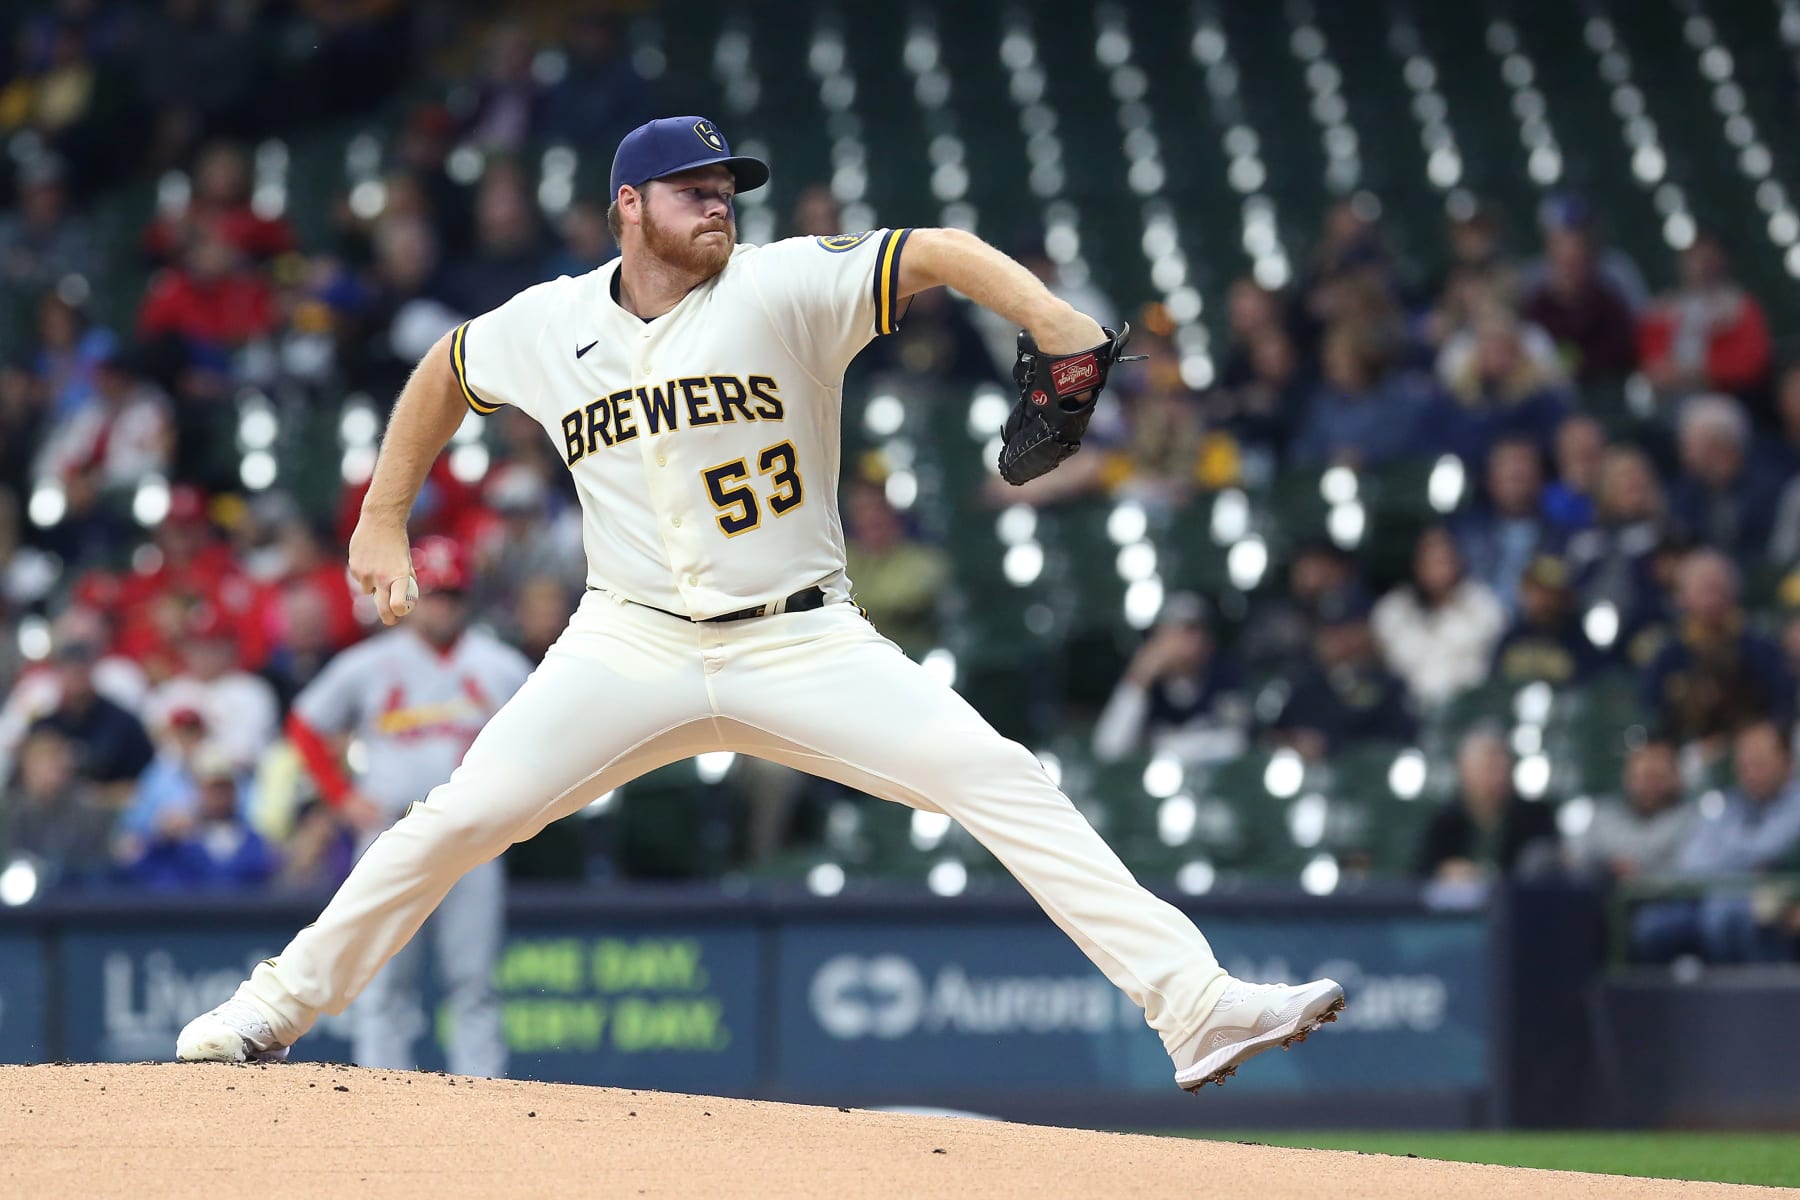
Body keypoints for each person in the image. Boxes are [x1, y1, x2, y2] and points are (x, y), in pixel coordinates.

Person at [177, 114, 1345, 1092]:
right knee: (456, 820)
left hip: (802, 635)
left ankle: (1193, 1006)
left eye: (728, 186)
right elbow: (445, 371)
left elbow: (935, 249)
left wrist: (1057, 326)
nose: (719, 203)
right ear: (626, 206)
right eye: (692, 189)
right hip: (626, 642)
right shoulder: (552, 322)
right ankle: (269, 1012)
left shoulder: (787, 283)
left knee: (998, 776)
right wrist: (382, 515)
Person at [277, 536, 529, 1077]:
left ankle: (481, 1098)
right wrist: (341, 797)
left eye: (452, 595)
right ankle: (379, 1099)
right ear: (412, 596)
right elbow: (304, 723)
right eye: (433, 594)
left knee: (475, 980)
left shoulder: (500, 664)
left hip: (474, 838)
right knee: (383, 978)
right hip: (392, 829)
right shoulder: (372, 662)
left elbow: (545, 735)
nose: (442, 606)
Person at [1631, 721, 1800, 963]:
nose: (1750, 771)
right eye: (1744, 763)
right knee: (1653, 925)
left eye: (1759, 762)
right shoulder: (1729, 804)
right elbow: (1693, 861)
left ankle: (1750, 997)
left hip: (1767, 899)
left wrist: (1726, 856)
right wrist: (1738, 863)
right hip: (1712, 895)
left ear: (1788, 762)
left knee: (1724, 915)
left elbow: (1768, 848)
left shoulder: (1796, 802)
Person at [1641, 550, 1793, 758]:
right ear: (1682, 596)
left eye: (1718, 589)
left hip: (1753, 750)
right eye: (1703, 591)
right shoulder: (1669, 654)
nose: (1712, 600)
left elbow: (1783, 702)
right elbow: (1652, 712)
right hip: (1686, 754)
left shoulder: (1759, 646)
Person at [1093, 592, 1248, 764]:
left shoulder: (1224, 675)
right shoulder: (1144, 686)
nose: (1187, 643)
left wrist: (1166, 747)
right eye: (1175, 632)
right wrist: (1139, 677)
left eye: (1195, 631)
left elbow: (1236, 743)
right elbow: (1108, 748)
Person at [1267, 585, 1414, 760]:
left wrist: (1329, 747)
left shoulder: (1388, 686)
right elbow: (1268, 735)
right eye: (1329, 630)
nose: (1336, 640)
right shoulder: (1303, 685)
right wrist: (1292, 744)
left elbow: (1400, 741)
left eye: (1346, 629)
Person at [1371, 525, 1506, 709]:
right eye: (1430, 560)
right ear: (1416, 564)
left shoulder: (1483, 605)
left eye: (1444, 560)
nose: (1438, 569)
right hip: (1405, 711)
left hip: (1467, 710)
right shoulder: (1392, 611)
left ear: (1458, 561)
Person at [1638, 231, 1771, 408]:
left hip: (1726, 400)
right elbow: (1651, 366)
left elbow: (1751, 364)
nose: (1700, 263)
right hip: (1668, 403)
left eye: (1708, 255)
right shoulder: (1662, 309)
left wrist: (1699, 374)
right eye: (1693, 256)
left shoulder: (1740, 306)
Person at [1416, 730, 1559, 884]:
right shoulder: (1444, 822)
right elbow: (1419, 876)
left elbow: (1550, 874)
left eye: (1501, 767)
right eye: (1487, 767)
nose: (1496, 777)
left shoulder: (1535, 817)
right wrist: (1445, 872)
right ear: (1464, 770)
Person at [841, 477, 948, 660]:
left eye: (876, 509)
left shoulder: (924, 563)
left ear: (893, 514)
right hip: (851, 655)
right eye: (861, 510)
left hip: (910, 657)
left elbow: (900, 604)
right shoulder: (840, 557)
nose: (869, 519)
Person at [1667, 393, 1782, 561]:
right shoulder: (1682, 495)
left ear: (1718, 443)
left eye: (1688, 444)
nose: (1684, 454)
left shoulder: (1770, 489)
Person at [1565, 737, 1695, 883]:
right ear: (1627, 776)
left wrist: (1640, 874)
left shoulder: (1694, 821)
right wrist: (1605, 869)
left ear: (1677, 778)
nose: (1649, 786)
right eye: (1642, 776)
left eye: (1657, 777)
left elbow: (1696, 874)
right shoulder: (1604, 814)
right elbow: (1574, 862)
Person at [1453, 437, 1548, 616]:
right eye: (1509, 473)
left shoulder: (1560, 539)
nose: (1516, 476)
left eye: (1522, 474)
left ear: (1540, 477)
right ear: (1490, 478)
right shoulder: (1463, 537)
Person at [1491, 553, 1610, 686]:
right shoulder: (1512, 640)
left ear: (1564, 596)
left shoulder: (1581, 646)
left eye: (1549, 592)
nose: (1541, 600)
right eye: (1534, 590)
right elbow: (1495, 686)